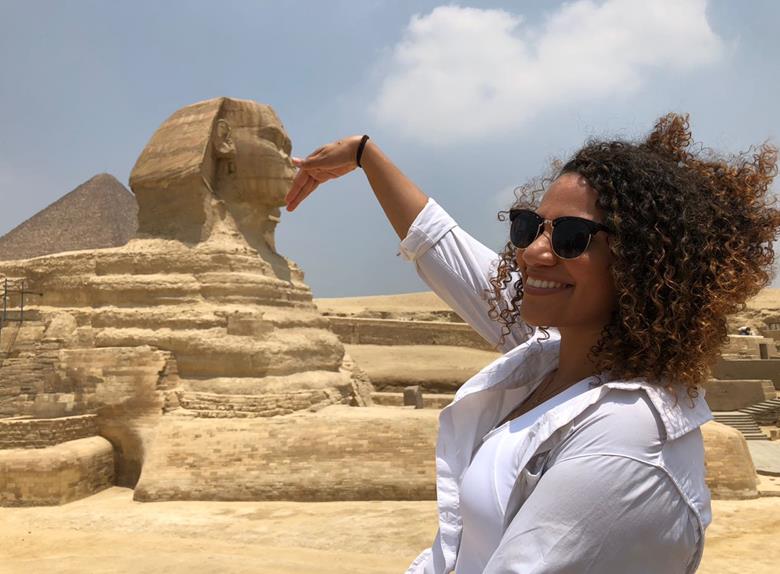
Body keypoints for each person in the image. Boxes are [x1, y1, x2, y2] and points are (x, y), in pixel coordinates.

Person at [285, 115, 780, 573]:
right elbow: (441, 247)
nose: (534, 253)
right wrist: (366, 156)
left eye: (572, 237)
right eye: (529, 227)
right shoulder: (558, 356)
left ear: (644, 263)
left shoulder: (626, 438)